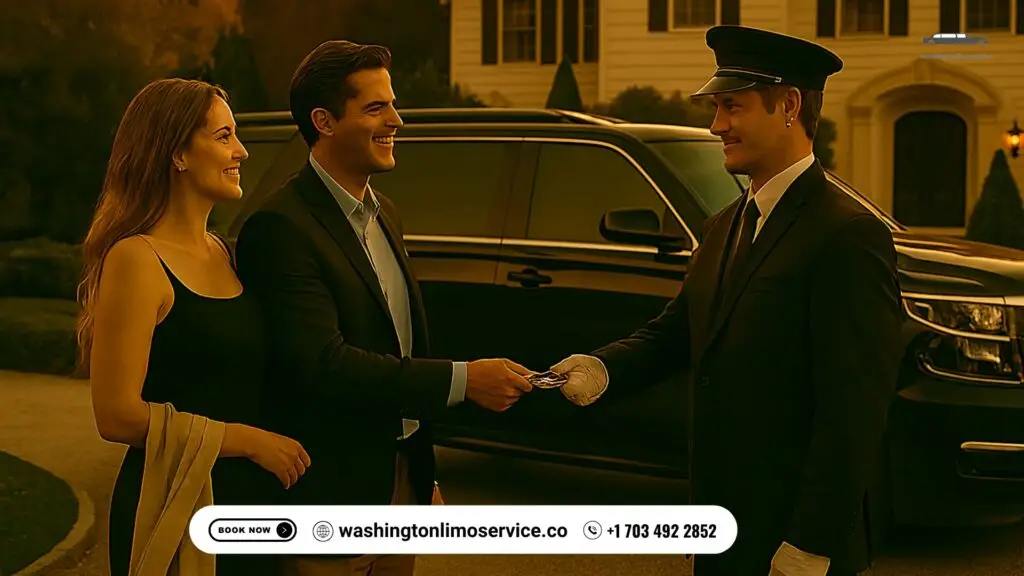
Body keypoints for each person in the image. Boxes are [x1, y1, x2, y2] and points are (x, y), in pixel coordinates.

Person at [549, 26, 901, 576]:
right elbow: (675, 335)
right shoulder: (725, 226)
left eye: (732, 107)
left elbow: (853, 409)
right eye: (716, 108)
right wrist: (600, 369)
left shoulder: (846, 233)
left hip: (794, 543)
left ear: (788, 105)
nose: (717, 126)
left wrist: (811, 543)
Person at [233, 40, 534, 576]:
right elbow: (322, 365)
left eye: (391, 104)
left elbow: (399, 347)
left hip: (402, 486)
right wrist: (465, 381)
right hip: (330, 500)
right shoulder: (279, 227)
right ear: (323, 121)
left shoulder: (386, 213)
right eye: (375, 108)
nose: (396, 120)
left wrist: (420, 479)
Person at [79, 78, 311, 576]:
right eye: (224, 136)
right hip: (174, 506)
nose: (242, 151)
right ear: (177, 153)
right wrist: (248, 441)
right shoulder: (137, 260)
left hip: (254, 510)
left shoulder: (226, 253)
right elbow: (115, 415)